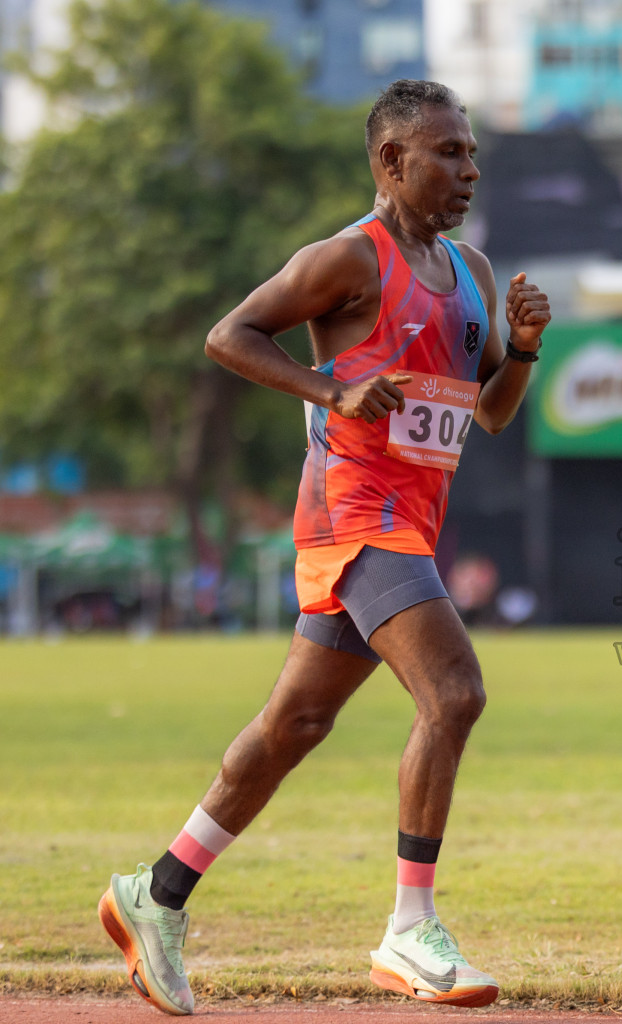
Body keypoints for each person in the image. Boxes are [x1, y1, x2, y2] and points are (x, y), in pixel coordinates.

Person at [97, 79, 550, 1015]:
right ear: (391, 161)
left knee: (295, 725)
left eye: (470, 153)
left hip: (410, 518)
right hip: (353, 511)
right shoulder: (347, 259)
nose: (467, 169)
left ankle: (157, 895)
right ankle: (407, 931)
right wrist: (327, 389)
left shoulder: (469, 269)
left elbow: (491, 417)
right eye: (447, 153)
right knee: (454, 692)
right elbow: (231, 335)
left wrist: (522, 350)